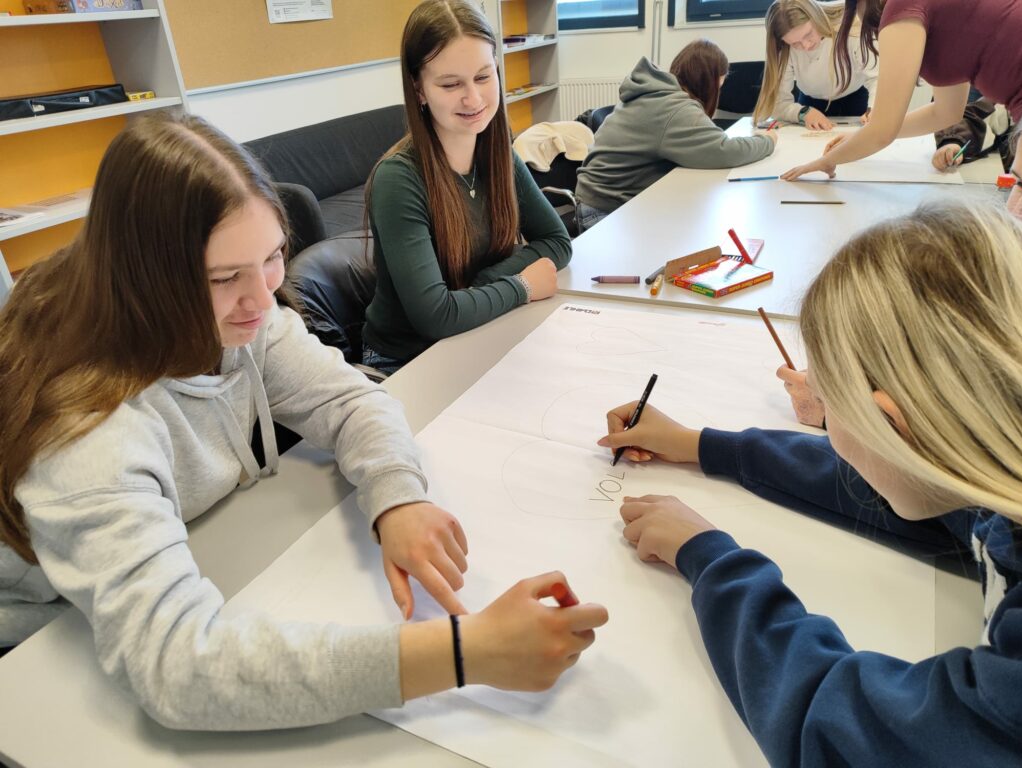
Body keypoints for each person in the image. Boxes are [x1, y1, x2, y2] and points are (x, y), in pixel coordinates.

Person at [0, 113, 608, 726]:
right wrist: (460, 652)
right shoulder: (87, 433)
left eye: (272, 257)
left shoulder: (237, 314)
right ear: (144, 280)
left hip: (190, 550)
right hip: (44, 644)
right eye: (224, 277)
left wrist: (397, 496)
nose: (263, 299)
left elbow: (351, 400)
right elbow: (178, 669)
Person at [598, 201, 1022, 765]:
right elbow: (903, 487)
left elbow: (838, 731)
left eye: (826, 403)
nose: (823, 418)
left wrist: (711, 559)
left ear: (889, 424)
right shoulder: (995, 460)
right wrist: (702, 445)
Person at [362, 0, 571, 374]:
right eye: (450, 84)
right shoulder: (398, 179)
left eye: (483, 77)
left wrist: (484, 283)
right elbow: (437, 316)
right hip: (408, 360)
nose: (473, 99)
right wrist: (522, 285)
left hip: (478, 329)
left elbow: (557, 241)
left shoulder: (498, 153)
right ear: (419, 89)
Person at [781, 0, 1022, 215]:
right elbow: (945, 113)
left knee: (1016, 209)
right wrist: (860, 136)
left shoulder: (901, 9)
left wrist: (828, 161)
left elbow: (883, 131)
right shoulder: (939, 19)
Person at [574, 40, 777, 227]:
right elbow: (725, 151)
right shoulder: (676, 109)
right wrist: (767, 141)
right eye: (719, 86)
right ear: (708, 82)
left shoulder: (657, 94)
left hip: (600, 199)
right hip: (604, 212)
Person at [753, 0, 877, 131]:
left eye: (808, 34)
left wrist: (874, 109)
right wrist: (802, 113)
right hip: (809, 104)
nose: (806, 46)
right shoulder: (783, 48)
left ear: (816, 17)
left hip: (856, 98)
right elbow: (778, 104)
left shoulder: (851, 27)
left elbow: (876, 77)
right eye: (795, 43)